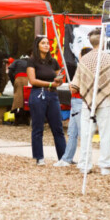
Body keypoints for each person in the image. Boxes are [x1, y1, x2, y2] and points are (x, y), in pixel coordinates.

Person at [70, 30, 110, 174]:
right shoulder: (109, 59)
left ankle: (84, 165)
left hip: (86, 102)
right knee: (106, 134)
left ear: (91, 41)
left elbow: (75, 84)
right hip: (105, 100)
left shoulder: (84, 60)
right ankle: (106, 166)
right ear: (103, 42)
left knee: (86, 134)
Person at [26, 35, 67, 166]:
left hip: (53, 95)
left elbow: (58, 80)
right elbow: (32, 80)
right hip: (38, 94)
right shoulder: (32, 61)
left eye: (48, 43)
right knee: (38, 127)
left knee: (58, 127)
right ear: (37, 45)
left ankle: (63, 157)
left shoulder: (53, 61)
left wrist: (59, 81)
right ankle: (39, 157)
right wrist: (50, 84)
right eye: (43, 43)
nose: (46, 45)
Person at [54, 46, 93, 167]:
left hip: (79, 101)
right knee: (72, 132)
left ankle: (84, 160)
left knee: (81, 132)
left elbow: (81, 86)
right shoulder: (83, 69)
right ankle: (67, 158)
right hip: (76, 101)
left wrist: (73, 86)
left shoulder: (85, 69)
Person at [8, 54, 30, 125]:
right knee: (26, 99)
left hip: (18, 79)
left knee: (17, 99)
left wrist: (13, 81)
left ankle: (17, 120)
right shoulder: (31, 62)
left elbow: (10, 71)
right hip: (28, 80)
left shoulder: (17, 61)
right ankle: (26, 119)